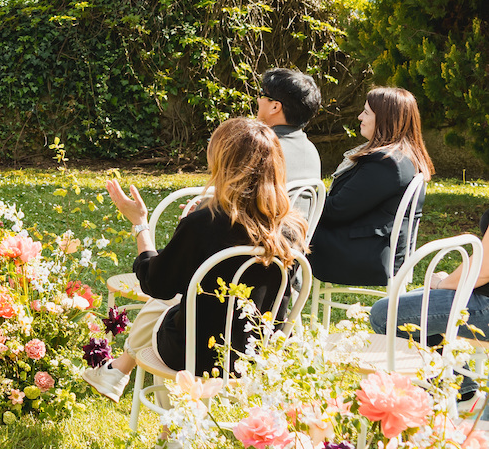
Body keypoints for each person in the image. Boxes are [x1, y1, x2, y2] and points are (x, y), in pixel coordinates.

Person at [83, 118, 307, 399]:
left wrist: (141, 224)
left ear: (222, 163)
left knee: (161, 306)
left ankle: (166, 421)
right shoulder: (293, 228)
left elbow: (156, 284)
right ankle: (116, 374)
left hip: (195, 354)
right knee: (172, 306)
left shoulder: (205, 223)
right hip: (255, 354)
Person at [310, 86, 433, 287]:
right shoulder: (402, 157)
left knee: (285, 234)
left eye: (366, 112)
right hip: (372, 247)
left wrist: (305, 198)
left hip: (366, 255)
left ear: (385, 119)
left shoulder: (386, 164)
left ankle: (277, 304)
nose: (360, 117)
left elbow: (336, 211)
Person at [368, 206, 489, 404]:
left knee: (385, 313)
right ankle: (461, 390)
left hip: (485, 304)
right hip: (479, 296)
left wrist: (442, 284)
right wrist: (449, 282)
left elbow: (484, 267)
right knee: (410, 302)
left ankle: (445, 395)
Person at [255, 68, 323, 218]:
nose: (258, 100)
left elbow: (229, 199)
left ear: (275, 107)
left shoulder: (261, 148)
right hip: (297, 236)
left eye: (261, 94)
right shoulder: (311, 150)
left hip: (258, 238)